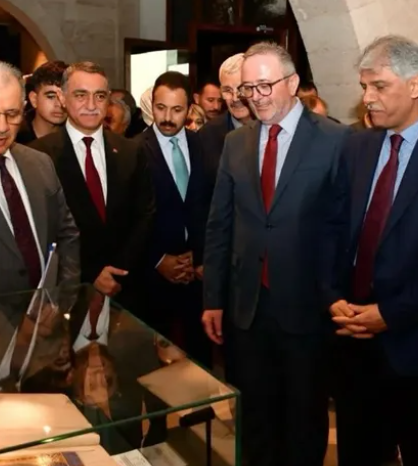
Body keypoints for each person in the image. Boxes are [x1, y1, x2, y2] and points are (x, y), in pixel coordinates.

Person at [202, 41, 351, 466]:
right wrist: (213, 298)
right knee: (254, 422)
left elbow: (346, 229)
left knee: (303, 421)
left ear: (293, 82)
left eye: (265, 86)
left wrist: (337, 296)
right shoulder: (236, 142)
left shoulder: (337, 140)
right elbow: (220, 225)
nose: (256, 97)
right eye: (249, 88)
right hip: (246, 309)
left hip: (309, 309)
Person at [326, 35, 418, 466]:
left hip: (415, 349)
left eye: (379, 87)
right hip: (350, 339)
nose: (368, 98)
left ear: (415, 86)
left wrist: (389, 314)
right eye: (364, 87)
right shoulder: (356, 145)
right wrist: (332, 297)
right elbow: (332, 229)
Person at [30, 61, 155, 312]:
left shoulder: (131, 151)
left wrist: (118, 270)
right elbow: (44, 229)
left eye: (99, 96)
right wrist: (92, 273)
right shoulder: (37, 156)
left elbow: (145, 214)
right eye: (80, 95)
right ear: (63, 98)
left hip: (126, 289)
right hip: (68, 294)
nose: (91, 105)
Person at [0, 60, 80, 298]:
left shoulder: (40, 163)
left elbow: (67, 235)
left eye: (12, 114)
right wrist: (4, 319)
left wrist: (61, 298)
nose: (2, 127)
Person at [135, 71, 211, 368]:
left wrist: (200, 256)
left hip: (198, 276)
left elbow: (210, 207)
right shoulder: (133, 150)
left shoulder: (204, 146)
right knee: (154, 367)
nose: (167, 118)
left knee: (201, 363)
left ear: (190, 109)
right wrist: (157, 259)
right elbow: (131, 217)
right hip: (153, 278)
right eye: (161, 108)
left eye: (177, 109)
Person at [199, 53, 254, 187]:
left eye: (242, 89)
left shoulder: (274, 127)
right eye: (228, 90)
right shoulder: (207, 135)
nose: (235, 98)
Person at [16, 60, 68, 145]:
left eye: (65, 97)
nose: (59, 104)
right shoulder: (13, 140)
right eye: (51, 96)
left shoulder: (78, 139)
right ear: (34, 99)